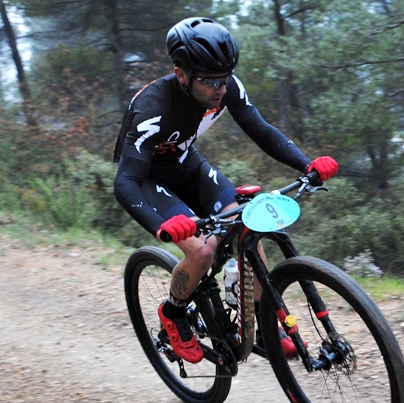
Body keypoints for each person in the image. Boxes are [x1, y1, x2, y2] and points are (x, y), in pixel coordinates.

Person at [113, 17, 338, 363]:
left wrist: (306, 164)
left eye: (225, 77)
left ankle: (261, 323)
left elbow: (261, 130)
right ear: (181, 74)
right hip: (146, 178)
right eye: (210, 81)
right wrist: (161, 226)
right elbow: (125, 182)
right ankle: (173, 313)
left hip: (187, 164)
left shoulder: (224, 84)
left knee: (250, 224)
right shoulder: (153, 108)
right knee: (201, 253)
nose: (220, 88)